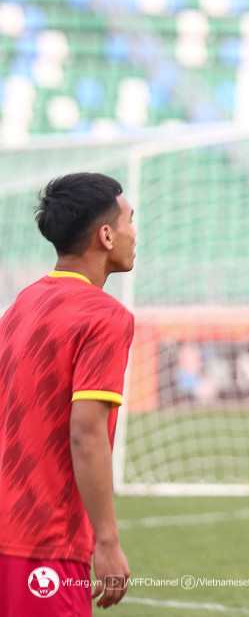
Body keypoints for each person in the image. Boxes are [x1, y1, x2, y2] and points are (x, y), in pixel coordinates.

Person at [0, 173, 137, 616]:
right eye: (130, 220)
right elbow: (87, 433)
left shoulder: (22, 303)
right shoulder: (105, 317)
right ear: (106, 235)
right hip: (46, 541)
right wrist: (107, 541)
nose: (135, 232)